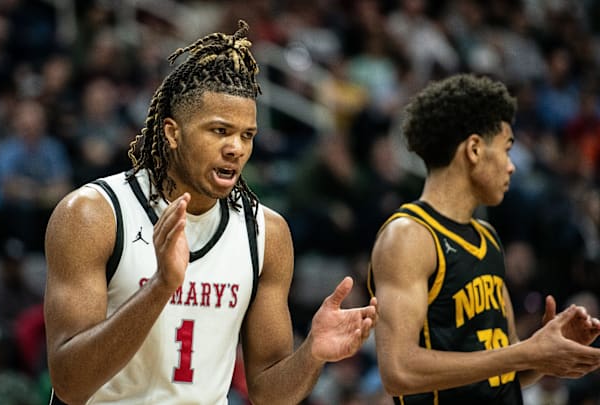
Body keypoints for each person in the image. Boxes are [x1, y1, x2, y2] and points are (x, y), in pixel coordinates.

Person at [43, 20, 378, 405]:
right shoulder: (93, 215)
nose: (236, 148)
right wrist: (160, 287)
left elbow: (269, 391)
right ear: (172, 133)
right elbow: (69, 383)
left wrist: (312, 355)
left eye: (247, 135)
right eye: (219, 131)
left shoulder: (265, 233)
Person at [367, 73, 600, 404]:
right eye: (506, 149)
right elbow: (399, 371)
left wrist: (546, 352)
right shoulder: (409, 236)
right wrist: (526, 353)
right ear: (474, 149)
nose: (511, 167)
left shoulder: (488, 237)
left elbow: (505, 373)